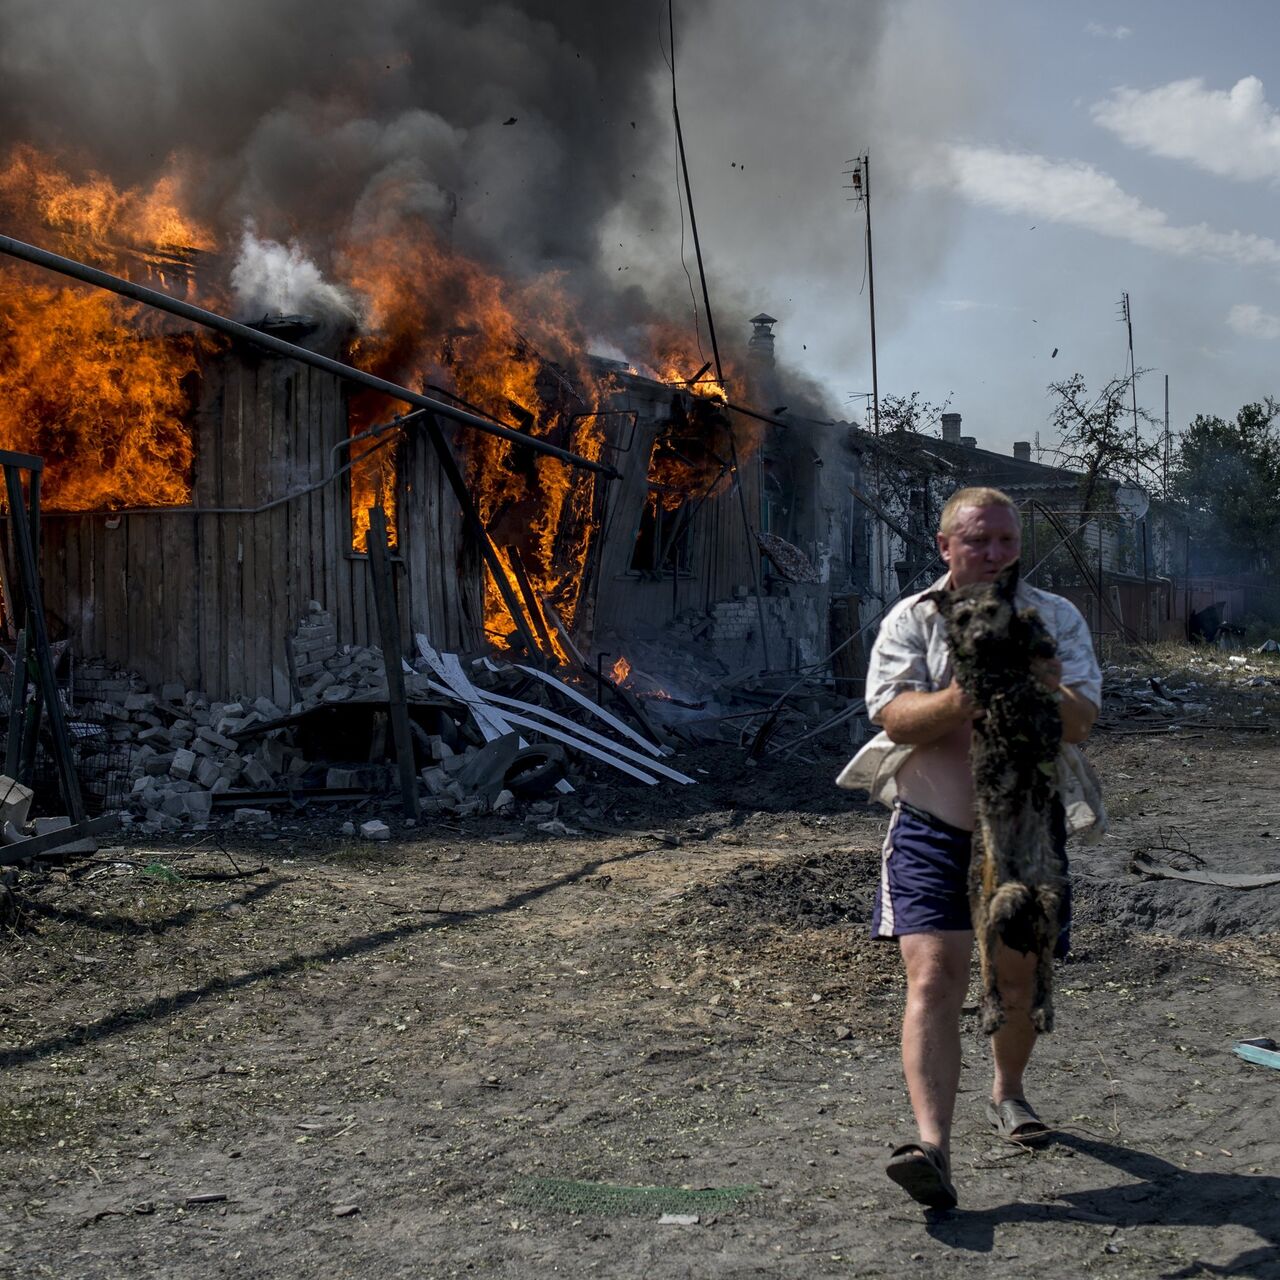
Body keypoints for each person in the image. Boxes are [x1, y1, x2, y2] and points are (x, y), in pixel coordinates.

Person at [837, 486, 1103, 1210]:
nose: (992, 554)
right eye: (978, 540)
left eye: (1005, 542)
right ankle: (933, 1149)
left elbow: (1081, 722)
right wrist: (966, 694)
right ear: (944, 544)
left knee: (1016, 979)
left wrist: (1044, 685)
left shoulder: (1054, 617)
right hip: (929, 823)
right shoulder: (912, 618)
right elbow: (891, 714)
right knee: (934, 976)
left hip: (1023, 829)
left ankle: (1008, 1092)